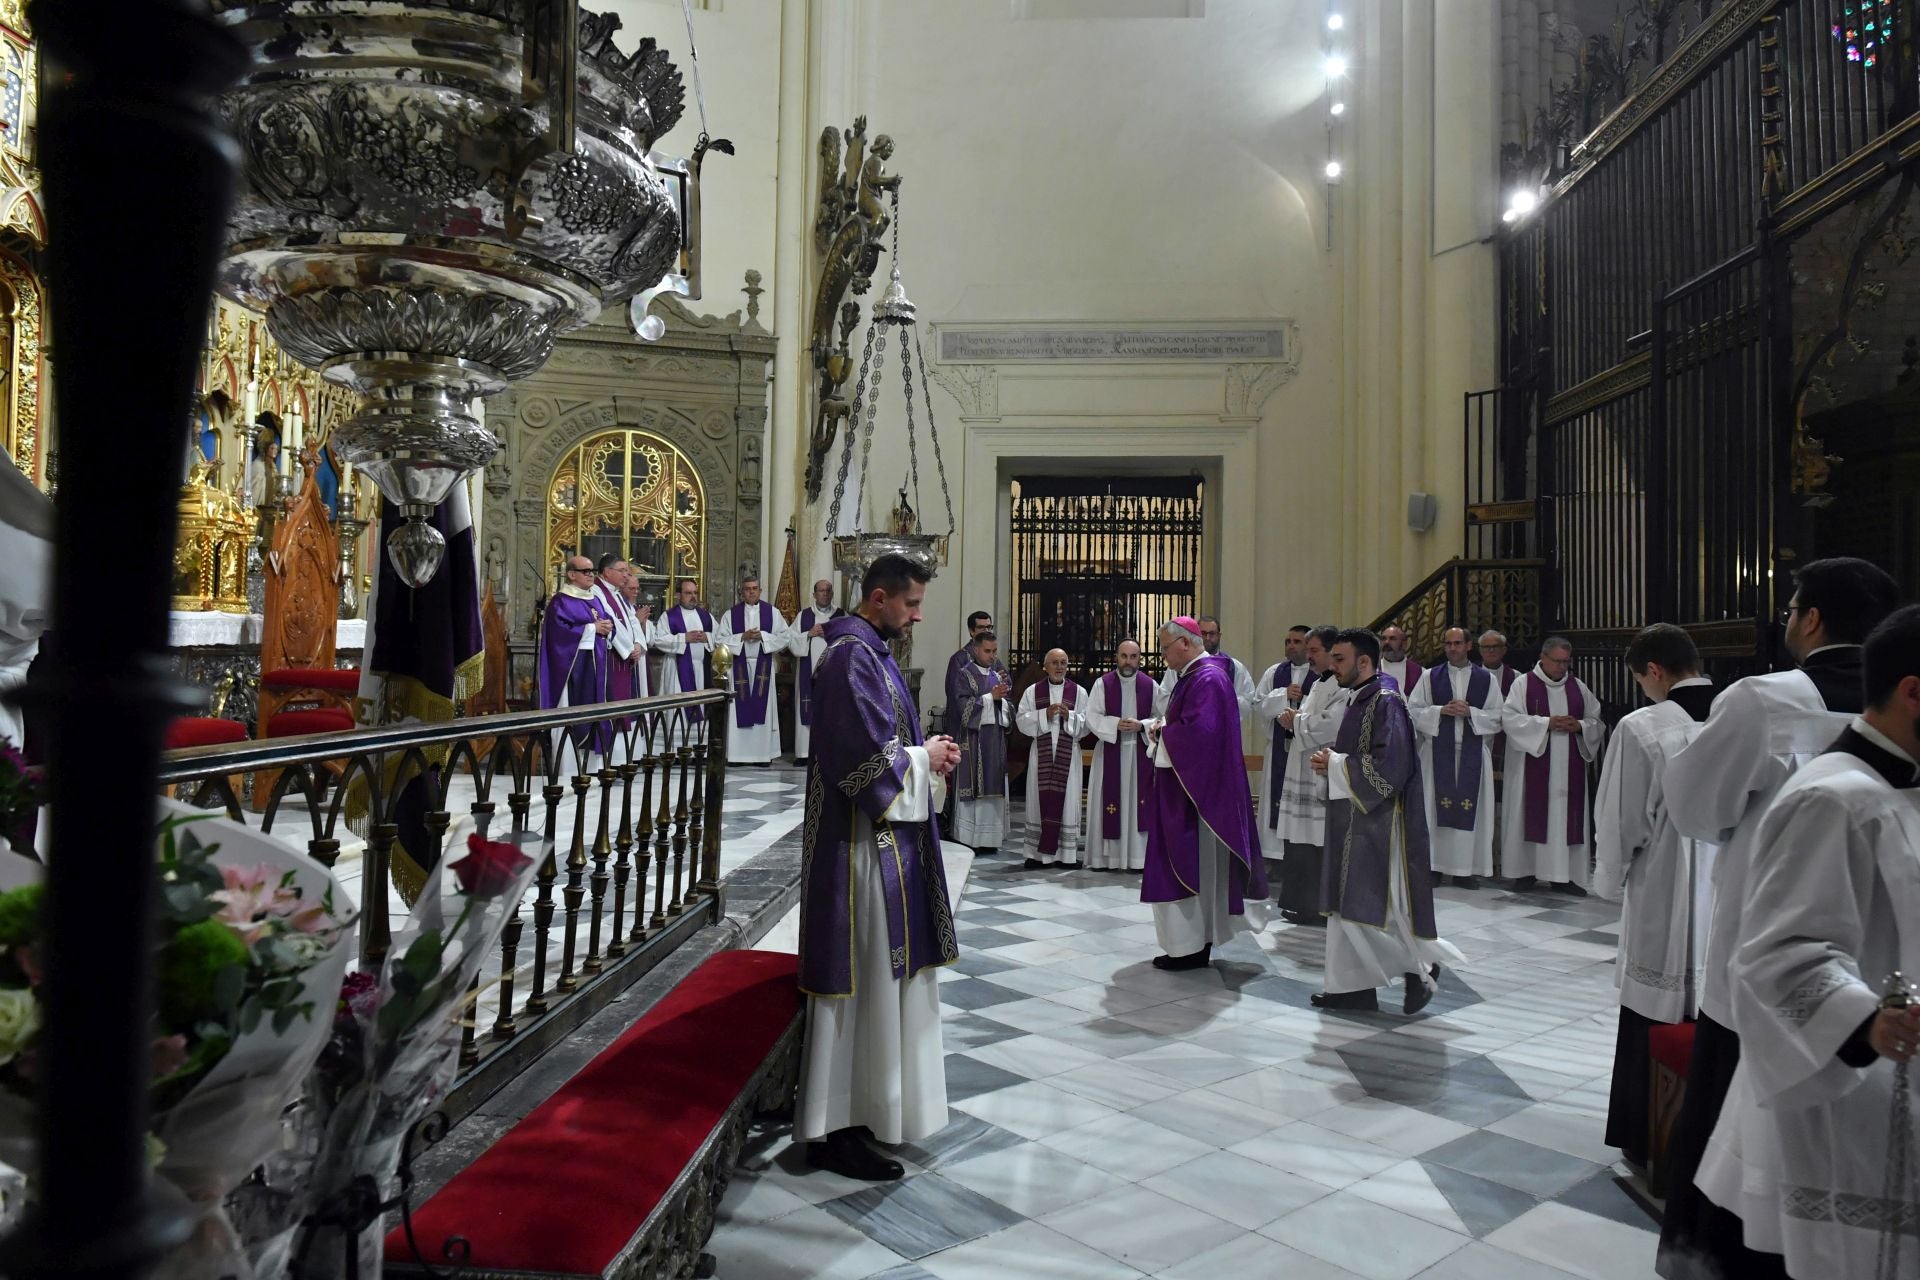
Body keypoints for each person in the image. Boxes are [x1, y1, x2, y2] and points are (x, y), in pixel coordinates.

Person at [1656, 556, 1899, 1279]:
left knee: (1745, 1151)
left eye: (1792, 608)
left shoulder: (1765, 699)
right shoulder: (1896, 709)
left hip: (1771, 956)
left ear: (1811, 619)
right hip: (1881, 968)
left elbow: (1696, 809)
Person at [795, 553, 962, 1182]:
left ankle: (869, 1109)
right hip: (857, 851)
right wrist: (925, 756)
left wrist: (927, 757)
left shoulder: (871, 654)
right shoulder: (849, 657)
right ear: (878, 598)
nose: (916, 615)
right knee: (857, 980)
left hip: (884, 843)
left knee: (878, 985)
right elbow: (862, 761)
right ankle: (834, 1126)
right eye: (911, 605)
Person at [1591, 623, 1716, 1172]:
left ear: (1655, 671)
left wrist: (1608, 878)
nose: (1643, 688)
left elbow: (1622, 820)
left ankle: (1647, 1137)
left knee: (1654, 1004)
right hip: (1724, 886)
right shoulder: (1738, 716)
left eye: (1641, 678)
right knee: (1707, 1008)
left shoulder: (1644, 726)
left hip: (1665, 883)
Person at [1310, 628, 1464, 1013]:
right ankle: (1351, 989)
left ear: (1364, 662)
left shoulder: (1386, 700)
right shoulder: (1361, 697)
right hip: (1354, 816)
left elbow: (1391, 767)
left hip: (1378, 820)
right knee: (1348, 907)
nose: (1333, 665)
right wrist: (1333, 764)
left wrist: (1335, 764)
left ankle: (1420, 966)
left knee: (1368, 906)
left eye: (1340, 659)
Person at [1139, 617, 1267, 970]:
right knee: (1191, 866)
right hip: (1185, 789)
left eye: (1165, 647)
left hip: (1191, 795)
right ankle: (1190, 946)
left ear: (1184, 643)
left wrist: (1164, 734)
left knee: (1188, 865)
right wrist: (1165, 730)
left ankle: (1190, 949)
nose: (1163, 654)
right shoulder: (1195, 677)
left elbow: (1202, 735)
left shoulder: (1207, 678)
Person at [1501, 636, 1605, 894]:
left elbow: (1596, 720)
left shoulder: (1578, 687)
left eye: (1566, 662)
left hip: (1569, 769)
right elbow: (1509, 719)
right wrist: (1545, 723)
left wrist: (1579, 726)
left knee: (1564, 820)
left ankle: (1563, 876)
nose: (1562, 667)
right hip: (1532, 765)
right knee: (1530, 814)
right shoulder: (1523, 684)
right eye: (1557, 661)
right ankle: (1525, 873)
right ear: (1543, 658)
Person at [1408, 627, 1504, 889]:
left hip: (1472, 754)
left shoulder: (1486, 679)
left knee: (1471, 812)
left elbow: (1498, 716)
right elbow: (1412, 711)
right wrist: (1441, 711)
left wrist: (1471, 712)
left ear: (1468, 645)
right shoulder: (1430, 677)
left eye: (1457, 643)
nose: (1452, 648)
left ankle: (1465, 870)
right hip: (1437, 753)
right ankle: (1434, 867)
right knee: (1432, 811)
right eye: (1448, 643)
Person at [1274, 625, 1349, 924]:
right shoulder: (1320, 682)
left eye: (1314, 650)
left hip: (1320, 773)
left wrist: (1297, 721)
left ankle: (1317, 907)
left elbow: (1332, 725)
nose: (1309, 655)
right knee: (1299, 842)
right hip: (1302, 769)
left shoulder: (1343, 686)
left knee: (1317, 842)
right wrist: (1294, 719)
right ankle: (1298, 903)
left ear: (1332, 652)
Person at [1082, 638, 1160, 872]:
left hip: (1140, 753)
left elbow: (1162, 717)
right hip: (1110, 752)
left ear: (1140, 658)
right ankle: (1107, 859)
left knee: (1139, 806)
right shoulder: (1102, 684)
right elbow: (1091, 716)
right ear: (1116, 657)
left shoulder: (1151, 685)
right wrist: (1115, 724)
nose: (1128, 661)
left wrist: (1143, 725)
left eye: (1133, 656)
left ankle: (1138, 859)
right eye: (1124, 656)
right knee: (1110, 804)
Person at [537, 556, 614, 768]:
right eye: (586, 571)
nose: (592, 575)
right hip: (573, 667)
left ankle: (592, 771)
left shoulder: (594, 599)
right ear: (572, 574)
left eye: (593, 570)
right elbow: (558, 635)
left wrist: (607, 627)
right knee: (574, 716)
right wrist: (592, 629)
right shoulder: (561, 601)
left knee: (594, 715)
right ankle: (569, 770)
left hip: (595, 665)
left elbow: (605, 622)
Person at [1014, 648, 1087, 870]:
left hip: (1068, 751)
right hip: (1042, 751)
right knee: (1038, 800)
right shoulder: (1032, 691)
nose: (1059, 667)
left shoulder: (1080, 692)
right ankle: (1037, 855)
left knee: (1068, 801)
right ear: (1045, 666)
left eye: (1063, 662)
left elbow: (1087, 722)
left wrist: (1070, 716)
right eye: (1054, 662)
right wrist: (1043, 714)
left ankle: (1067, 855)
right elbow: (1021, 720)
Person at [1253, 626, 1317, 860]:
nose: (1291, 645)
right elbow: (1258, 705)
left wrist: (1304, 700)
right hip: (1279, 750)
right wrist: (1283, 695)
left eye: (1297, 641)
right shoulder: (1274, 672)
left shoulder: (1320, 673)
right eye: (1288, 641)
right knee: (1275, 799)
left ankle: (1299, 856)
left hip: (1307, 751)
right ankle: (1273, 855)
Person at [715, 575, 792, 765]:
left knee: (763, 710)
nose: (751, 591)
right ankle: (736, 755)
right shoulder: (730, 614)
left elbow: (785, 637)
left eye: (754, 588)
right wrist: (742, 636)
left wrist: (763, 637)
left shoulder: (772, 613)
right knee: (737, 709)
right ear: (741, 591)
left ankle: (761, 756)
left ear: (760, 590)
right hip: (738, 667)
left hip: (762, 666)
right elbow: (719, 641)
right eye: (747, 588)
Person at [949, 630, 1011, 854]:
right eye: (987, 651)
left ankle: (991, 838)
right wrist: (989, 698)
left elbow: (1010, 707)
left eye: (994, 651)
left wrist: (1002, 704)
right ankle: (969, 838)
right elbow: (961, 708)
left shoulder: (999, 675)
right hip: (973, 742)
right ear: (976, 650)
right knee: (975, 787)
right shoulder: (964, 674)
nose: (992, 656)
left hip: (995, 741)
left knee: (994, 784)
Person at [592, 556, 651, 766]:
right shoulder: (598, 592)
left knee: (626, 708)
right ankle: (613, 761)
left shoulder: (617, 595)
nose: (626, 575)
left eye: (627, 571)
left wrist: (637, 644)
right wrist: (628, 649)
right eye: (622, 570)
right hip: (612, 659)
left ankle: (623, 759)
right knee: (614, 708)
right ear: (607, 572)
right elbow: (610, 622)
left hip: (624, 657)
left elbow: (633, 621)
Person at [1160, 614, 1257, 723]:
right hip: (1185, 725)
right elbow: (1164, 696)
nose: (1207, 638)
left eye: (1212, 634)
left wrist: (1220, 704)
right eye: (1203, 633)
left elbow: (1248, 698)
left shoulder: (1232, 666)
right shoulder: (1180, 666)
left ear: (1219, 636)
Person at [789, 578, 843, 765]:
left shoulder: (841, 616)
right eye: (821, 591)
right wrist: (808, 634)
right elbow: (790, 640)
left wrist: (829, 633)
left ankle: (830, 752)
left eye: (828, 590)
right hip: (808, 670)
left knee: (833, 709)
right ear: (814, 594)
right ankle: (804, 753)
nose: (825, 594)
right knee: (806, 708)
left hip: (834, 672)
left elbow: (849, 640)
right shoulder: (803, 616)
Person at [652, 577, 716, 725]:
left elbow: (720, 637)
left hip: (701, 670)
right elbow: (659, 640)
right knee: (677, 708)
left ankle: (697, 747)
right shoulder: (669, 616)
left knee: (700, 705)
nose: (693, 596)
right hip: (676, 669)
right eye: (688, 593)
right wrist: (683, 638)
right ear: (678, 595)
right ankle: (674, 746)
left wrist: (707, 637)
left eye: (695, 592)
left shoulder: (705, 616)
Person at [943, 609, 1003, 736]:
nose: (987, 631)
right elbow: (955, 696)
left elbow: (1006, 683)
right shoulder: (959, 659)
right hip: (967, 729)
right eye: (982, 627)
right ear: (971, 631)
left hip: (991, 726)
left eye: (989, 627)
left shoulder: (995, 659)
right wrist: (987, 697)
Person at [1378, 624, 1424, 699]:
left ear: (1404, 644)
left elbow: (1424, 704)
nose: (1386, 642)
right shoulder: (1371, 670)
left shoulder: (1420, 672)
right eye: (1383, 638)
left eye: (1392, 638)